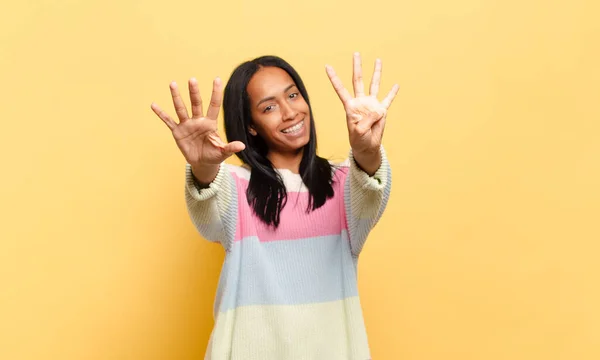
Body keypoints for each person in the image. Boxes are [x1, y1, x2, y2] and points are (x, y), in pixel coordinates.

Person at [151, 53, 399, 360]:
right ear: (251, 126)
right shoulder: (235, 185)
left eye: (293, 95)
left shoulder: (345, 184)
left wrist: (366, 150)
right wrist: (203, 168)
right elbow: (209, 210)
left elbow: (370, 193)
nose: (290, 112)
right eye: (268, 107)